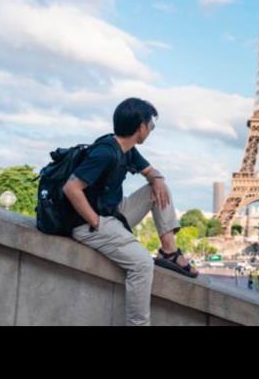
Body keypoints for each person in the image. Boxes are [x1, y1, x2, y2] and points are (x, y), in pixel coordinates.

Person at [65, 98, 198, 326]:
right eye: (151, 126)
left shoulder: (127, 149)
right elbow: (71, 187)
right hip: (89, 223)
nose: (151, 130)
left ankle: (169, 251)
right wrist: (96, 222)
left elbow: (151, 171)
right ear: (141, 127)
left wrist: (156, 178)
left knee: (158, 188)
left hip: (114, 212)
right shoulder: (106, 152)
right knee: (142, 265)